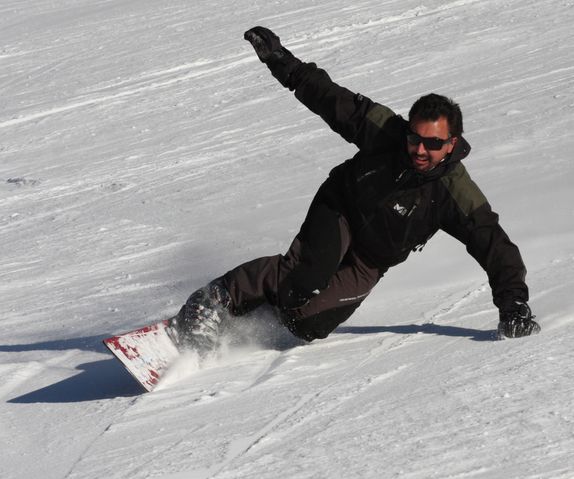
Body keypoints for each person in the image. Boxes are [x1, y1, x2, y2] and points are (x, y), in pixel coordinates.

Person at [170, 26, 540, 352]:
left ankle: (252, 312)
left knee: (307, 323)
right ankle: (214, 301)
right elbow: (331, 99)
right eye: (415, 138)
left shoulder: (454, 192)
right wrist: (282, 62)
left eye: (432, 143)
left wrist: (513, 306)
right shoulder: (385, 133)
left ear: (451, 143)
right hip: (342, 208)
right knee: (305, 275)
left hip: (372, 260)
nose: (420, 149)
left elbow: (494, 244)